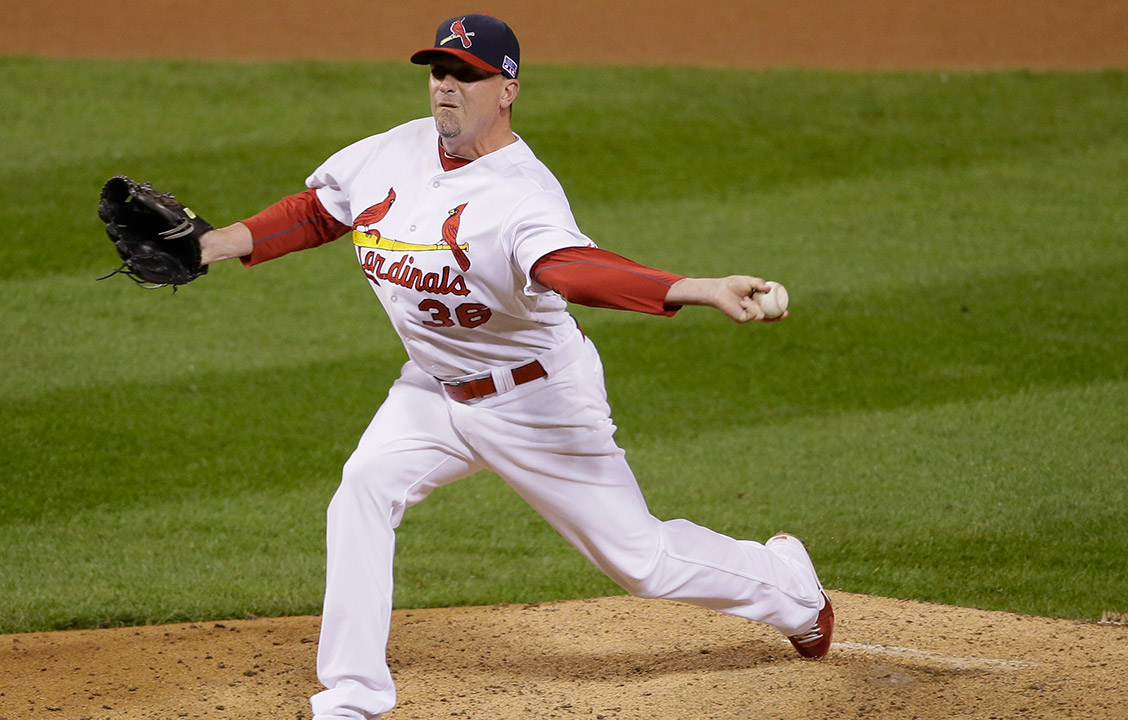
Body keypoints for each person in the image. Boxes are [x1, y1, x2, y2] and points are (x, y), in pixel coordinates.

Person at [198, 14, 833, 720]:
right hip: (431, 392)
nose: (446, 87)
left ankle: (791, 588)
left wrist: (695, 287)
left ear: (507, 90)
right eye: (439, 72)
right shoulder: (391, 152)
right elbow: (319, 210)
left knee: (640, 561)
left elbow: (575, 270)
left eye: (466, 75)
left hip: (536, 401)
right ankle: (353, 696)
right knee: (363, 489)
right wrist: (210, 246)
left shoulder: (521, 193)